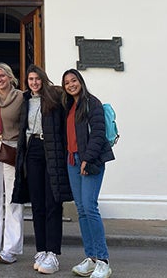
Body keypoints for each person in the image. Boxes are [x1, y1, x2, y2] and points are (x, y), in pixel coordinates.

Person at [12, 64, 73, 274]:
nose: (34, 83)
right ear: (26, 82)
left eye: (37, 79)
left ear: (43, 79)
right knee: (37, 203)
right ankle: (41, 250)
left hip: (52, 151)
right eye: (30, 79)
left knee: (52, 203)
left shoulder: (54, 98)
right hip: (32, 151)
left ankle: (53, 253)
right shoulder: (25, 100)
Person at [62, 69, 115, 278]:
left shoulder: (92, 103)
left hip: (89, 161)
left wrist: (87, 159)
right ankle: (91, 258)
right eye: (66, 82)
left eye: (74, 80)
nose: (71, 85)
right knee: (81, 209)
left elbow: (99, 134)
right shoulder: (69, 106)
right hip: (72, 161)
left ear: (81, 81)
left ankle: (103, 260)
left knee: (90, 207)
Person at [0, 62, 24, 264]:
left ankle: (10, 249)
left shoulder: (21, 97)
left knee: (13, 197)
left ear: (10, 77)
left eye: (2, 76)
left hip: (12, 147)